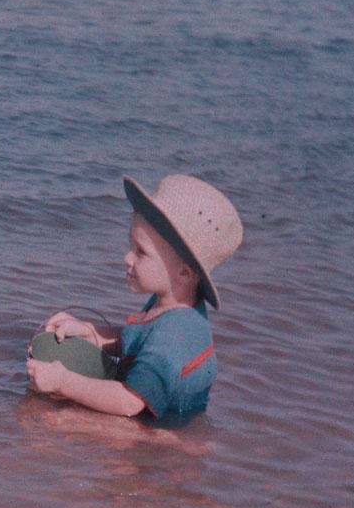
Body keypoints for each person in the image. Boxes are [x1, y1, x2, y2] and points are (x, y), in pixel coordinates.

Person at [26, 174, 243, 423]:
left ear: (184, 272)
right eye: (131, 247)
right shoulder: (171, 304)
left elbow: (129, 401)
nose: (127, 259)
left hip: (163, 428)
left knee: (56, 419)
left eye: (141, 252)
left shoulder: (176, 334)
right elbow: (141, 339)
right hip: (148, 410)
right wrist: (91, 332)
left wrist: (63, 381)